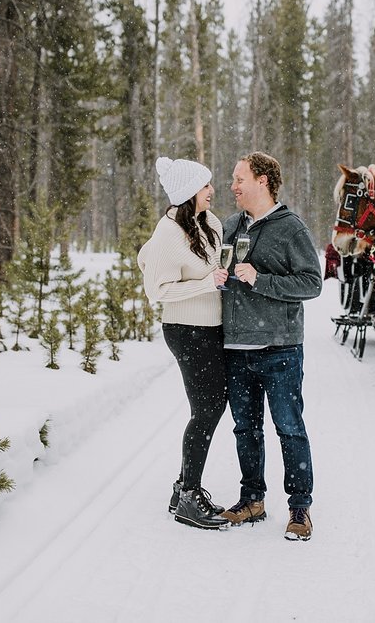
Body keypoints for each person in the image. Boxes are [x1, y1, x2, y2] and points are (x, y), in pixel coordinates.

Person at [219, 151, 323, 541]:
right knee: (245, 428)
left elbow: (312, 283)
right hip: (235, 347)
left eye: (239, 178)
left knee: (289, 428)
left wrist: (261, 279)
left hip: (279, 349)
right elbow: (228, 271)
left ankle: (300, 507)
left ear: (263, 180)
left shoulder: (291, 228)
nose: (233, 186)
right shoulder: (231, 226)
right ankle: (252, 500)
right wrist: (219, 276)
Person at [138, 157, 231, 531]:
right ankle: (188, 494)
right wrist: (206, 284)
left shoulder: (210, 222)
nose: (212, 191)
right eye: (205, 186)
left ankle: (183, 490)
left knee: (211, 404)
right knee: (207, 408)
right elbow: (156, 291)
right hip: (185, 330)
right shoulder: (168, 233)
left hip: (211, 327)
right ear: (189, 192)